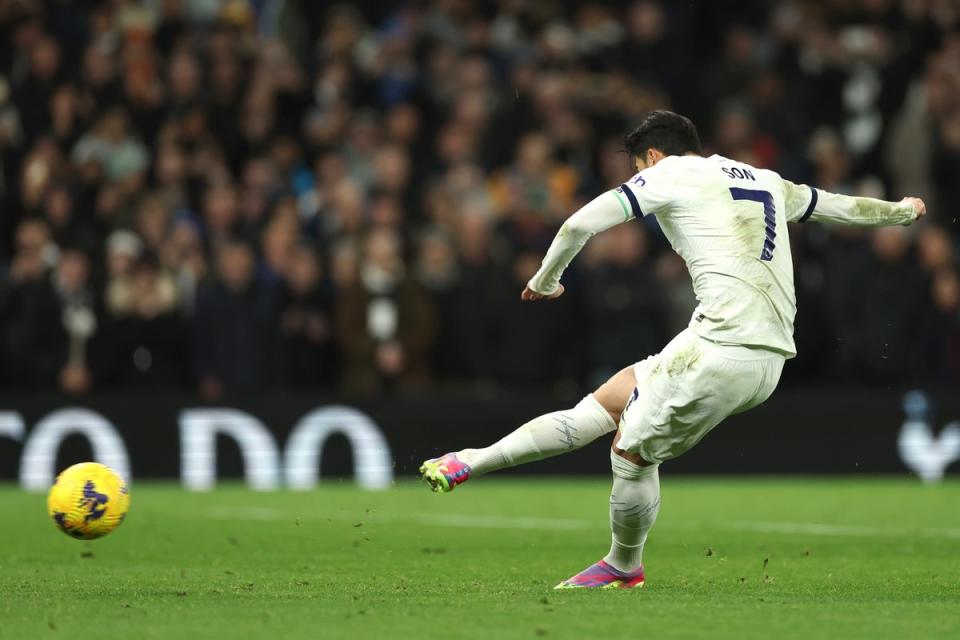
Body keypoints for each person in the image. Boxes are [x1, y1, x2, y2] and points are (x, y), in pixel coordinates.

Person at [419, 111, 926, 589]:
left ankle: (623, 566)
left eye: (637, 167)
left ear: (653, 158)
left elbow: (578, 225)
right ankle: (471, 460)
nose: (640, 175)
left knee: (633, 452)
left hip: (726, 351)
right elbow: (839, 206)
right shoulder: (764, 178)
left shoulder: (669, 175)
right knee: (609, 401)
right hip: (739, 345)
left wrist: (545, 280)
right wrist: (902, 214)